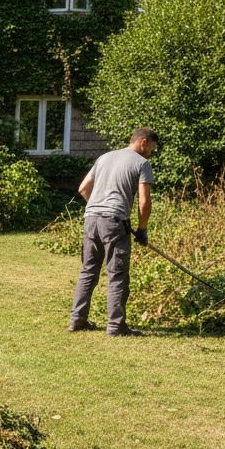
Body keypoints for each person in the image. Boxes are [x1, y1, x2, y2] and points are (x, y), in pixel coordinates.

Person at [68, 127, 158, 337]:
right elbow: (144, 202)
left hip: (91, 219)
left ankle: (76, 320)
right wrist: (142, 229)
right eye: (152, 148)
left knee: (88, 270)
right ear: (143, 142)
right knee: (117, 274)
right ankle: (116, 326)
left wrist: (99, 208)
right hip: (114, 222)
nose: (151, 153)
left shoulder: (104, 157)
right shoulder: (142, 163)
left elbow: (83, 188)